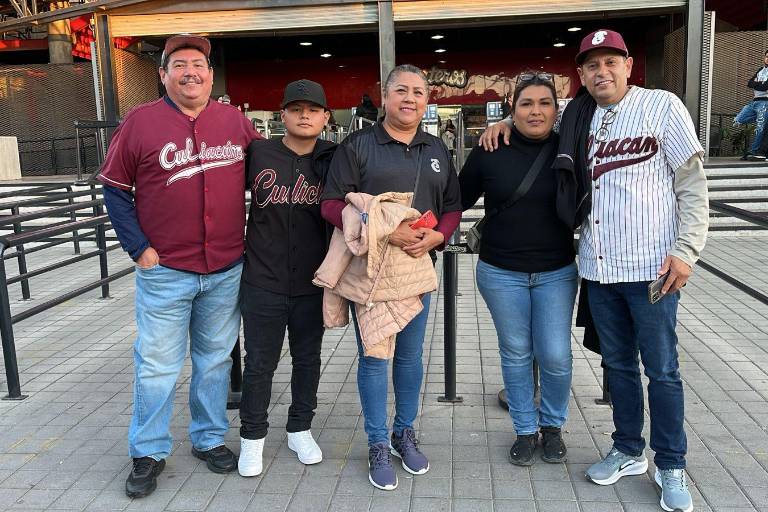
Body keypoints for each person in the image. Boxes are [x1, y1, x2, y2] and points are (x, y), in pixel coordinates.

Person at [479, 29, 708, 512]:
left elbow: (691, 183)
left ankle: (671, 464)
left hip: (652, 269)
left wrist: (687, 249)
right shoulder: (580, 118)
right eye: (591, 66)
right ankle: (628, 449)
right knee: (618, 365)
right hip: (599, 269)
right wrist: (498, 122)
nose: (601, 72)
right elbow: (530, 120)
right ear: (581, 75)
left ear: (628, 64)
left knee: (662, 371)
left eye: (610, 62)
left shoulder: (663, 106)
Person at [98, 34, 261, 499]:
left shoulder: (234, 122)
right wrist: (138, 248)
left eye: (199, 64)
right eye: (180, 64)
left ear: (210, 75)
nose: (191, 71)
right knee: (157, 365)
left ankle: (208, 438)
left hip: (226, 267)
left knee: (213, 362)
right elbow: (114, 188)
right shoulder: (140, 122)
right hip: (165, 269)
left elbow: (275, 168)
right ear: (163, 74)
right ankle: (148, 449)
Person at [320, 64, 462, 491]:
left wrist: (439, 235)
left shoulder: (436, 148)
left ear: (426, 100)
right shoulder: (359, 145)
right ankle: (378, 442)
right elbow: (330, 204)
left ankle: (404, 432)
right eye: (401, 90)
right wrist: (381, 227)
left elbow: (453, 205)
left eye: (418, 92)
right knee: (374, 360)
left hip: (417, 274)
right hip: (373, 276)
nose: (410, 99)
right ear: (384, 95)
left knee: (411, 359)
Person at [460, 73, 577, 467]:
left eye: (545, 103)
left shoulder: (570, 147)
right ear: (513, 109)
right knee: (515, 352)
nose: (536, 111)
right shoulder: (491, 149)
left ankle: (553, 427)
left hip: (556, 271)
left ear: (557, 110)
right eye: (526, 103)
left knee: (556, 355)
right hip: (500, 271)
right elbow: (455, 198)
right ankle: (526, 430)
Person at [237, 79, 337, 477]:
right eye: (296, 108)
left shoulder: (336, 156)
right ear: (283, 115)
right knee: (259, 362)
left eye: (313, 109)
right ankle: (252, 439)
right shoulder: (259, 152)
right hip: (263, 276)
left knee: (307, 359)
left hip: (313, 279)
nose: (304, 115)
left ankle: (300, 428)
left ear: (326, 117)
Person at [734, 49, 768, 160]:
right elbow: (749, 83)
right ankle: (762, 119)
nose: (767, 58)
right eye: (766, 56)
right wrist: (760, 84)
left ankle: (754, 150)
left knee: (760, 128)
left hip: (765, 103)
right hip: (754, 101)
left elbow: (765, 87)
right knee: (739, 119)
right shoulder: (760, 70)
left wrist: (757, 84)